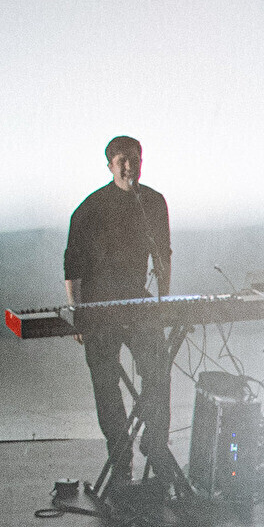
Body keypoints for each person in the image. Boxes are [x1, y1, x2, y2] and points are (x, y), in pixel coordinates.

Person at [63, 134, 174, 487]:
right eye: (122, 160)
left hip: (138, 301)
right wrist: (78, 312)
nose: (129, 166)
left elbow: (163, 255)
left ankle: (155, 443)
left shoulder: (153, 202)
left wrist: (164, 303)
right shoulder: (90, 208)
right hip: (98, 306)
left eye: (134, 159)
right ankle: (120, 453)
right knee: (105, 381)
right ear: (110, 165)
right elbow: (72, 265)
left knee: (159, 369)